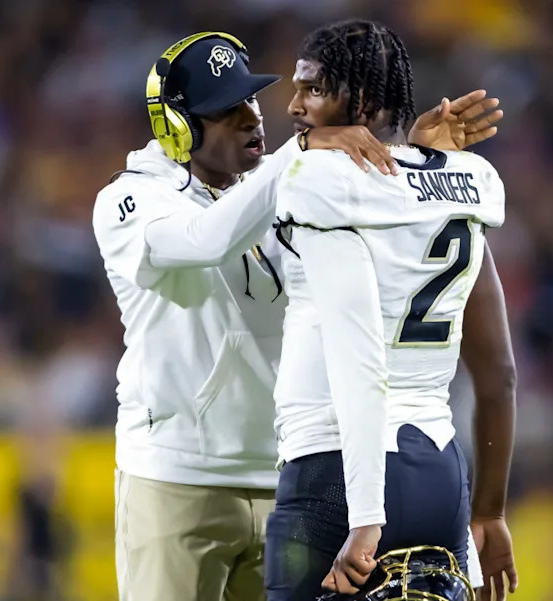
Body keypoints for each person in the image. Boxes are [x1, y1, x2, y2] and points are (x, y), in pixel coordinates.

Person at [92, 31, 502, 601]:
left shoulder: (287, 183)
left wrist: (412, 157)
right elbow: (207, 237)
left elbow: (376, 238)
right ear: (176, 126)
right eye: (225, 110)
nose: (251, 118)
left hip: (291, 475)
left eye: (251, 99)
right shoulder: (131, 200)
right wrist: (305, 150)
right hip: (181, 476)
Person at [266, 20, 518, 601]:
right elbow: (499, 373)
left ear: (362, 102)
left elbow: (360, 367)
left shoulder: (319, 178)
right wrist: (490, 510)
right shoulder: (464, 182)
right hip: (438, 474)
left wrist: (365, 514)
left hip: (337, 472)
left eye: (313, 91)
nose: (294, 107)